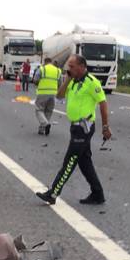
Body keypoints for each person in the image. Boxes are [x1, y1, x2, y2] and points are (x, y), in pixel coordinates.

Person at [36, 54, 111, 205]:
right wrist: (67, 80)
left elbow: (103, 103)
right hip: (75, 127)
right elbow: (59, 96)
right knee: (85, 163)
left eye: (72, 66)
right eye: (68, 66)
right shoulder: (73, 82)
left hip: (84, 127)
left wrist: (105, 127)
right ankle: (98, 194)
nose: (68, 69)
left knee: (69, 161)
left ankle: (53, 193)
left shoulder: (92, 82)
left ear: (82, 67)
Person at [32, 57, 61, 135]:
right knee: (48, 111)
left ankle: (45, 124)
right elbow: (60, 83)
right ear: (51, 62)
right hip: (53, 94)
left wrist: (38, 84)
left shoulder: (42, 69)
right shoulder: (58, 71)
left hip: (43, 92)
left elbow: (35, 80)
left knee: (39, 110)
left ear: (45, 62)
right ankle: (42, 129)